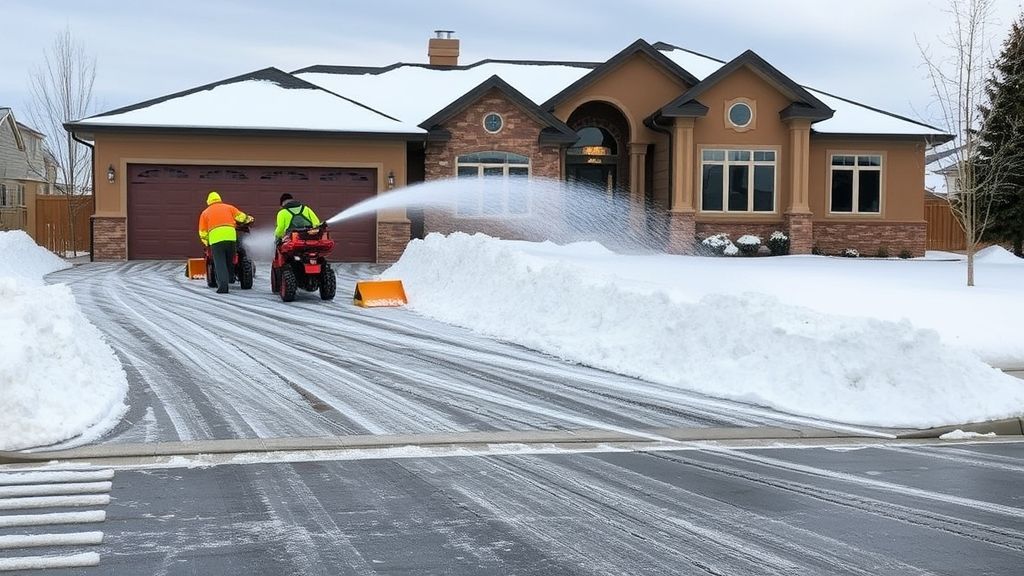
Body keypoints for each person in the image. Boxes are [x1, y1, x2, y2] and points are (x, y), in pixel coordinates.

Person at [198, 191, 253, 294]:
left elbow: (202, 232)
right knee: (230, 260)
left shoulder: (205, 213)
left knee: (220, 263)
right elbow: (242, 217)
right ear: (219, 199)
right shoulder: (229, 208)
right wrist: (249, 219)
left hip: (216, 241)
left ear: (208, 201)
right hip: (231, 238)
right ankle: (231, 278)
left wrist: (207, 242)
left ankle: (223, 287)